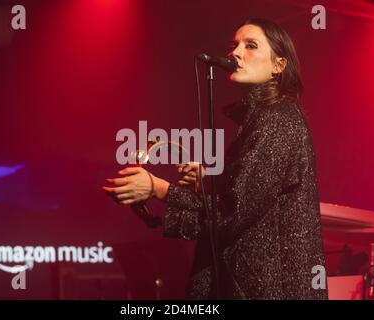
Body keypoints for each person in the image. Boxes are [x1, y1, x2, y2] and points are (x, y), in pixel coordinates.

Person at [103, 18, 328, 300]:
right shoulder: (263, 119)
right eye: (234, 45)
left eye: (251, 46)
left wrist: (158, 189)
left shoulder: (278, 120)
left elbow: (234, 212)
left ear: (278, 66)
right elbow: (252, 199)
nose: (235, 53)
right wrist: (209, 182)